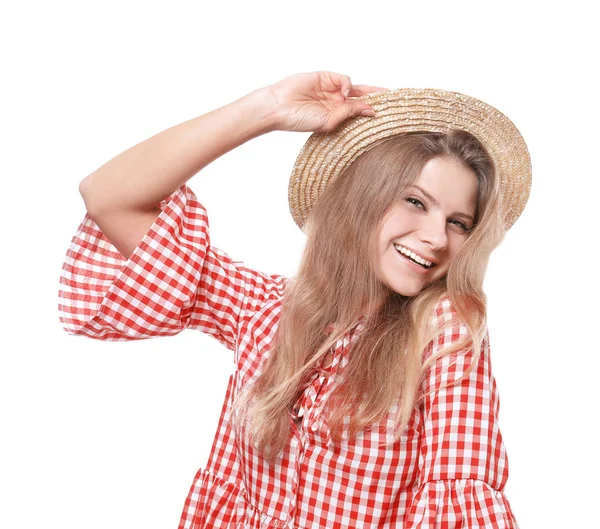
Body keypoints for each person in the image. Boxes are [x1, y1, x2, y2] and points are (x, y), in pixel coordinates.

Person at [58, 71, 531, 528]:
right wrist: (266, 108)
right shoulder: (266, 309)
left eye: (458, 223)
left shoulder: (444, 330)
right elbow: (108, 196)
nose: (435, 238)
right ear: (364, 196)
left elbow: (460, 495)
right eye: (415, 201)